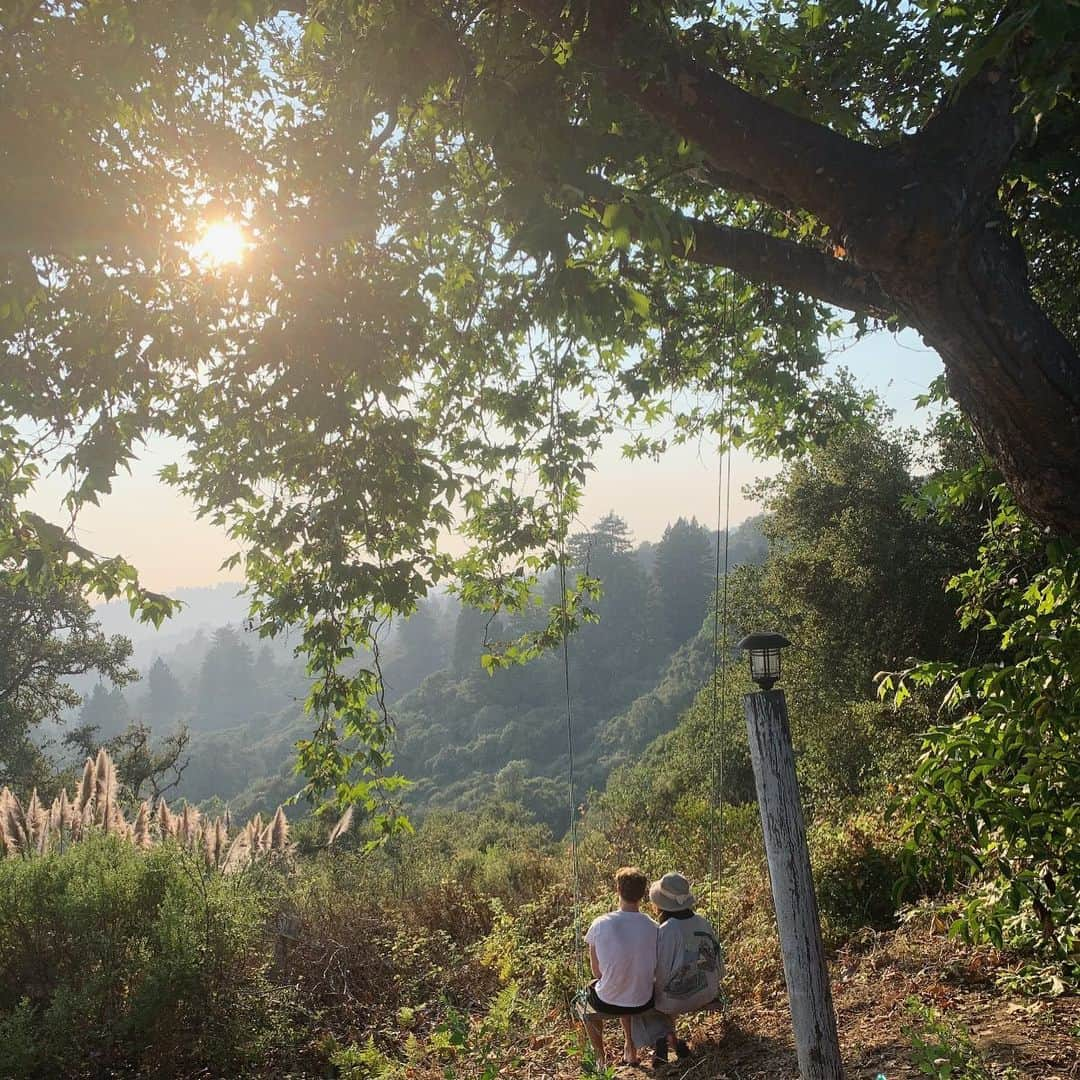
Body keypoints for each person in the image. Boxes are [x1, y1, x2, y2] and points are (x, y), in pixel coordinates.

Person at [632, 872, 723, 1066]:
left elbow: (661, 972)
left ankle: (662, 1036)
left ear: (660, 904)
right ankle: (670, 1038)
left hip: (677, 999)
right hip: (708, 991)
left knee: (636, 1002)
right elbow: (718, 962)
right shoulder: (702, 921)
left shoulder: (666, 931)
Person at [580, 866, 658, 1066]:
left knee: (584, 1001)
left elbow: (597, 972)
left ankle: (600, 1058)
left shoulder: (600, 924)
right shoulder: (653, 927)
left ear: (618, 890)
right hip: (644, 999)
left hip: (609, 1000)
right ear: (642, 894)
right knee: (627, 981)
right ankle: (630, 1047)